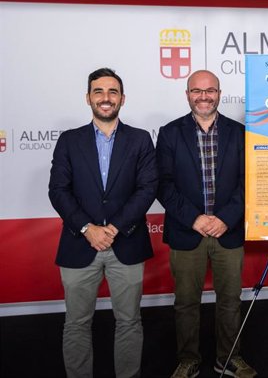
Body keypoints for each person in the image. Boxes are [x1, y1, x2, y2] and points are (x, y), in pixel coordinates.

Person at [48, 68, 157, 378]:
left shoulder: (140, 139)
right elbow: (58, 190)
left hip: (127, 242)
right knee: (77, 322)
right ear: (88, 98)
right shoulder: (69, 140)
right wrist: (88, 228)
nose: (106, 98)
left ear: (122, 98)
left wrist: (112, 229)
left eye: (112, 92)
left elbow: (147, 188)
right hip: (79, 244)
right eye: (99, 91)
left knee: (129, 321)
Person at [156, 69, 256, 378]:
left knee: (230, 301)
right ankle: (188, 359)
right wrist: (195, 218)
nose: (204, 96)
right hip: (188, 231)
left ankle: (228, 358)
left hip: (229, 230)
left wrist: (226, 217)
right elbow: (163, 184)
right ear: (187, 94)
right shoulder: (170, 133)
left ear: (219, 93)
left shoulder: (239, 132)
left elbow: (248, 181)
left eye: (210, 90)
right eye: (197, 91)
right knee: (186, 302)